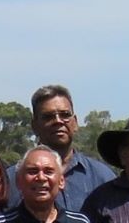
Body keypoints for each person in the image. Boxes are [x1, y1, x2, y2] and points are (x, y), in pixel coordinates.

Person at [32, 85, 114, 213]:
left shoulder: (102, 177)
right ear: (34, 125)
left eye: (65, 115)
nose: (58, 121)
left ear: (75, 122)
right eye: (48, 117)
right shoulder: (14, 180)